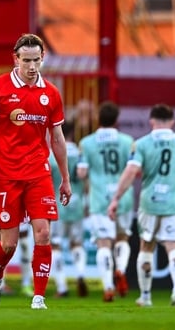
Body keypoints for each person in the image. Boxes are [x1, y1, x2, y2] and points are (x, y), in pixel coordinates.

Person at [0, 33, 72, 310]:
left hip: (38, 172)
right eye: (26, 60)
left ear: (43, 58)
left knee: (43, 233)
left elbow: (57, 138)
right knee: (9, 244)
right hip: (4, 174)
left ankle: (39, 298)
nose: (32, 66)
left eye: (36, 60)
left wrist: (64, 179)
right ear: (15, 59)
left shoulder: (51, 93)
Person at [108, 104, 175, 307]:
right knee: (174, 246)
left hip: (150, 203)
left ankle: (146, 296)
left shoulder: (141, 144)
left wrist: (116, 198)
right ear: (172, 121)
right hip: (174, 204)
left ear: (152, 121)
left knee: (146, 247)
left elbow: (131, 172)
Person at [77, 102, 135, 302]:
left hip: (99, 198)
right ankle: (120, 269)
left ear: (98, 119)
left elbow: (82, 172)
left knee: (103, 243)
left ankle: (108, 287)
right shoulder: (128, 141)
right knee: (122, 238)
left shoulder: (87, 143)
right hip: (123, 197)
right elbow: (133, 169)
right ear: (116, 120)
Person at [49, 121, 89, 298]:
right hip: (78, 202)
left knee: (55, 245)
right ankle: (80, 274)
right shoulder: (81, 154)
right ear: (73, 133)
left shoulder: (52, 155)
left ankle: (62, 286)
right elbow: (85, 180)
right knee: (77, 244)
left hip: (58, 204)